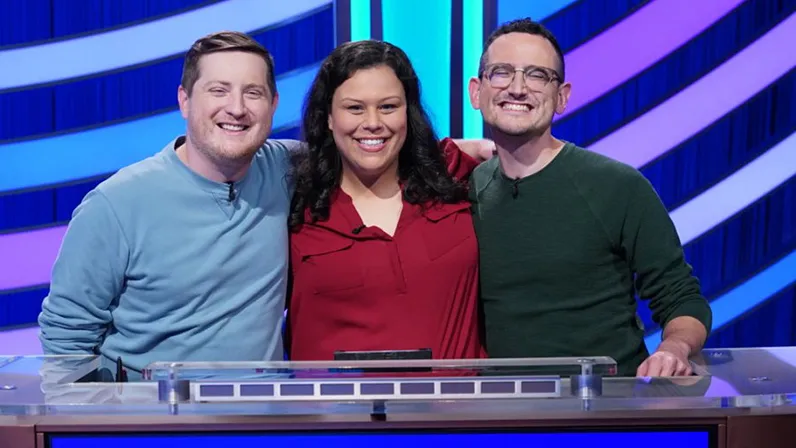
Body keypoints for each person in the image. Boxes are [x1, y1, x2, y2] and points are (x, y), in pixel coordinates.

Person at [38, 31, 301, 378]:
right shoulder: (117, 203)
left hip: (266, 420)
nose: (236, 108)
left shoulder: (290, 169)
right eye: (218, 90)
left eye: (253, 93)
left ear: (273, 105)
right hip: (154, 423)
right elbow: (66, 341)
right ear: (185, 100)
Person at [467, 19, 712, 377]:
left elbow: (681, 297)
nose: (517, 88)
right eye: (501, 73)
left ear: (562, 96)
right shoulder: (465, 191)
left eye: (537, 75)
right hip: (499, 414)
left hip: (601, 410)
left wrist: (673, 349)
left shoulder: (617, 185)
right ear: (477, 92)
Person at [285, 40, 486, 361]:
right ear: (328, 117)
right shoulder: (292, 203)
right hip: (332, 409)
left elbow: (515, 159)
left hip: (455, 408)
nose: (373, 122)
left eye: (389, 106)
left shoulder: (451, 174)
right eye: (354, 108)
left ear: (409, 112)